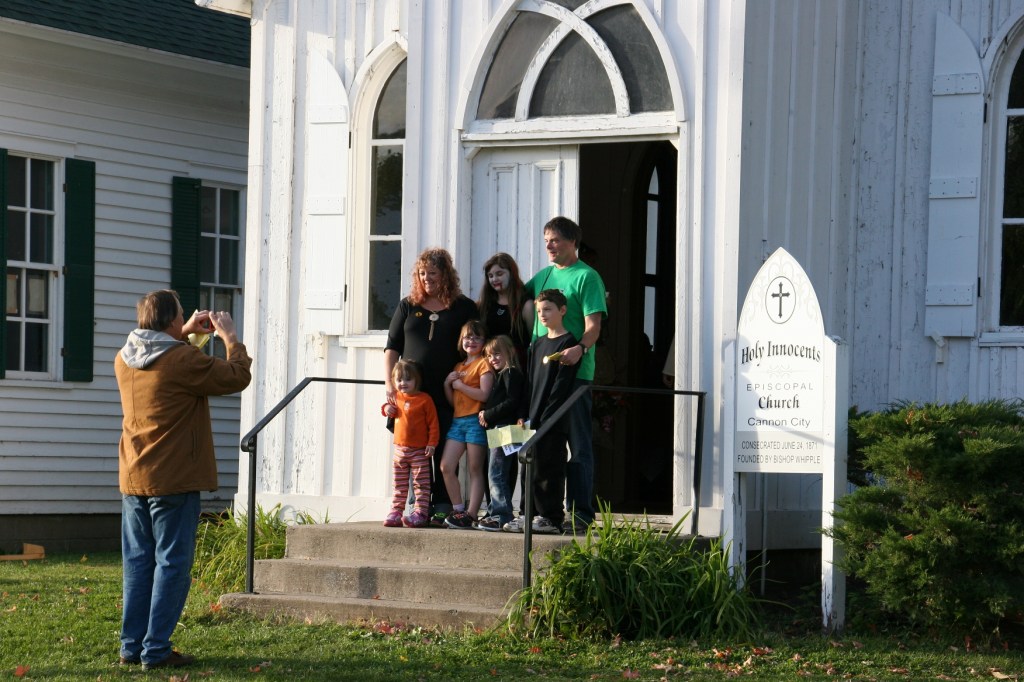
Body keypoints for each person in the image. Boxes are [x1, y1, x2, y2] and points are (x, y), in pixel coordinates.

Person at [115, 290, 252, 670]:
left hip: (134, 475)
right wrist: (229, 338)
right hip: (173, 479)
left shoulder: (123, 359)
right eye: (180, 317)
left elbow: (162, 358)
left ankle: (132, 646)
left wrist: (187, 333)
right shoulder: (182, 359)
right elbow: (236, 376)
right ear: (172, 322)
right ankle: (156, 650)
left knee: (138, 564)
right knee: (172, 563)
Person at [525, 216, 608, 532]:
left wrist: (580, 349)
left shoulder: (587, 277)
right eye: (546, 239)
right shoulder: (543, 276)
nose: (549, 245)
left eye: (556, 239)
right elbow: (513, 296)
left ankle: (581, 516)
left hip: (575, 376)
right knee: (544, 444)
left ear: (573, 242)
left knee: (578, 446)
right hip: (541, 376)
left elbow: (593, 326)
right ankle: (544, 513)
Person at [384, 248, 478, 523]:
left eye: (433, 274)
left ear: (445, 275)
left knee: (442, 451)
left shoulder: (463, 307)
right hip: (410, 394)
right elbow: (392, 347)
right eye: (422, 274)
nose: (427, 279)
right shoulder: (408, 306)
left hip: (449, 393)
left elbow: (475, 347)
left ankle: (441, 506)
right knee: (412, 451)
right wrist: (389, 385)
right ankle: (416, 508)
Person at [505, 289, 578, 534]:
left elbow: (561, 385)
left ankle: (551, 517)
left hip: (553, 419)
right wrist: (523, 414)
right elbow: (529, 383)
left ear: (562, 310)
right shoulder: (537, 344)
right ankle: (527, 514)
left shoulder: (568, 343)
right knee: (528, 466)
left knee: (550, 465)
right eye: (539, 311)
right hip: (532, 417)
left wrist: (548, 417)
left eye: (548, 309)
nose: (543, 315)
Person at [439, 320, 494, 529]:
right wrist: (447, 384)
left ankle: (471, 514)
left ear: (483, 341)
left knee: (474, 469)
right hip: (458, 420)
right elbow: (453, 401)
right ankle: (459, 509)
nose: (471, 341)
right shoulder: (458, 366)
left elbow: (484, 394)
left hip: (475, 420)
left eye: (476, 337)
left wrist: (460, 385)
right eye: (467, 337)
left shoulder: (484, 364)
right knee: (446, 466)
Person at [476, 335, 527, 532]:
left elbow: (512, 401)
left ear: (510, 352)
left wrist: (488, 413)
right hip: (500, 428)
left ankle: (501, 513)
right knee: (497, 471)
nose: (493, 359)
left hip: (504, 428)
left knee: (496, 472)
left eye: (497, 354)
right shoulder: (505, 374)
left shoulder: (511, 373)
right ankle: (495, 510)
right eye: (489, 356)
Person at [381, 359, 438, 528]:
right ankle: (396, 512)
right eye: (399, 380)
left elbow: (433, 424)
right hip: (400, 450)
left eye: (407, 379)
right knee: (399, 484)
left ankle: (420, 512)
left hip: (419, 451)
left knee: (421, 483)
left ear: (416, 380)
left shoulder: (424, 400)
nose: (403, 383)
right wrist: (386, 409)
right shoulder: (396, 397)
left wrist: (432, 443)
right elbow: (386, 408)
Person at [477, 252, 533, 367]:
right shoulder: (484, 304)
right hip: (488, 369)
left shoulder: (526, 305)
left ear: (512, 274)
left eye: (499, 274)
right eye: (490, 276)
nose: (494, 279)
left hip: (516, 369)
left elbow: (535, 341)